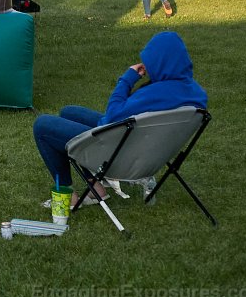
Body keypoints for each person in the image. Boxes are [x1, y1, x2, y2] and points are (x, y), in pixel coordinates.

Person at [33, 32, 208, 205]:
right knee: (68, 112)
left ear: (160, 62)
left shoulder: (155, 93)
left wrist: (126, 80)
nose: (147, 67)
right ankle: (96, 189)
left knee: (43, 125)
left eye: (150, 61)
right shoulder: (196, 93)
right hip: (147, 150)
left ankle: (67, 195)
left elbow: (112, 117)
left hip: (117, 155)